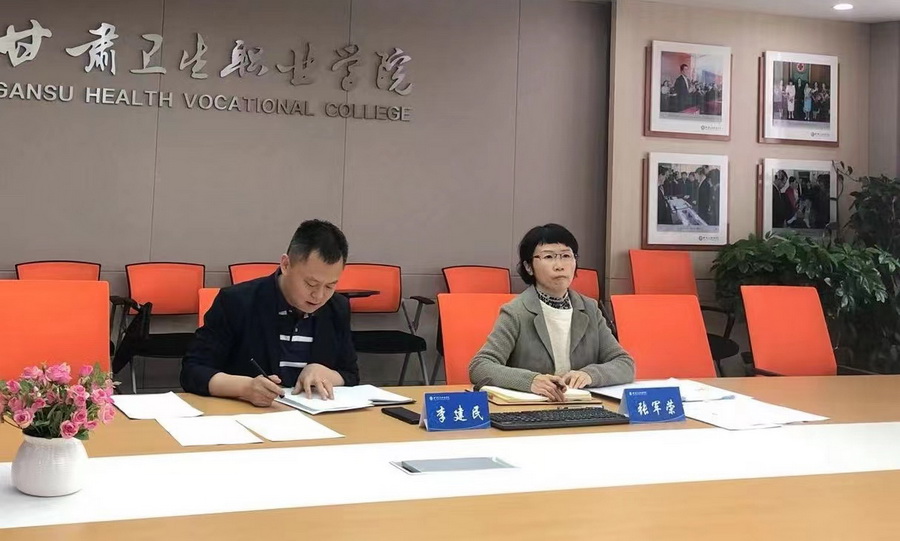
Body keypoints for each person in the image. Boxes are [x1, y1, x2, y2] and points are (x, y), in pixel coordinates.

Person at [180, 220, 359, 407]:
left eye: (330, 286)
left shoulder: (337, 308)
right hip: (246, 415)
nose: (319, 296)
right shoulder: (237, 302)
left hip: (315, 417)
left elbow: (351, 374)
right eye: (311, 284)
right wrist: (244, 388)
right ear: (286, 265)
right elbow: (192, 371)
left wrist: (324, 373)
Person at [469, 224, 635, 400]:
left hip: (581, 405)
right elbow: (480, 366)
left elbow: (624, 363)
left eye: (566, 256)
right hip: (532, 408)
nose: (559, 265)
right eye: (549, 257)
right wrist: (530, 381)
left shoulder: (590, 309)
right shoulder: (516, 312)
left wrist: (591, 374)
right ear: (528, 267)